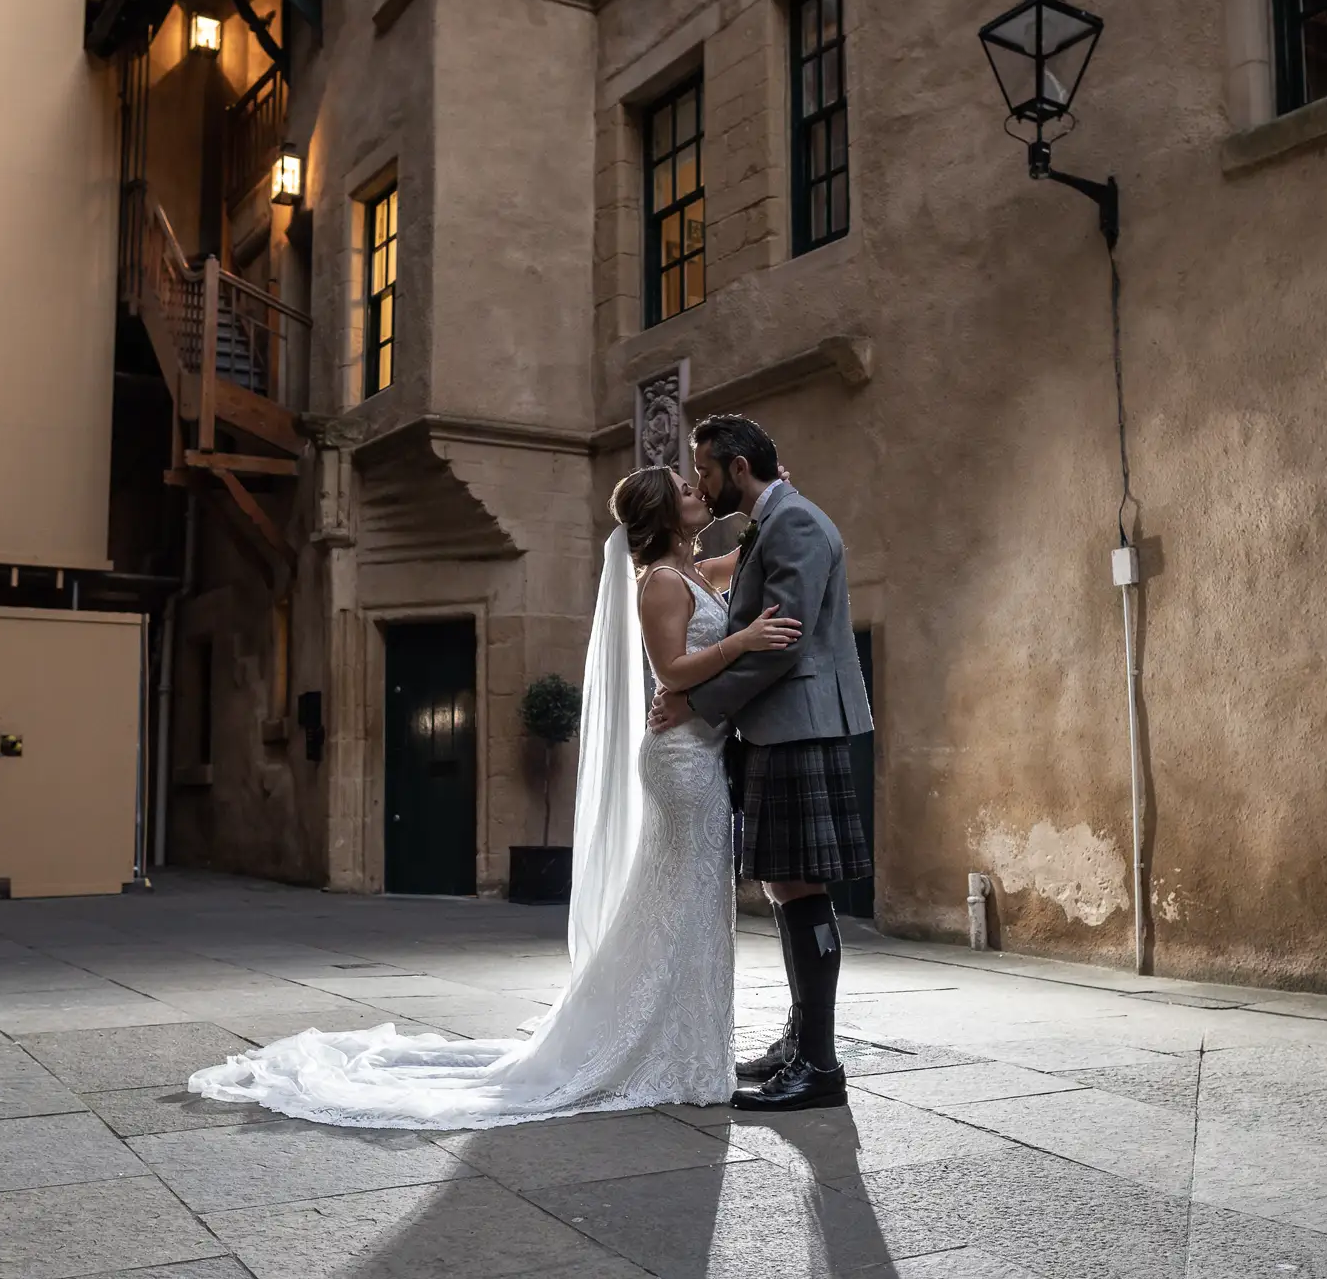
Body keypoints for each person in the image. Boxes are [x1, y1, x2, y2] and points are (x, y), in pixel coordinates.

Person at [185, 465, 799, 1128]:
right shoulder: (660, 584)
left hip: (699, 754)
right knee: (684, 896)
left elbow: (745, 556)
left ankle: (685, 1045)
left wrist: (773, 497)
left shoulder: (695, 571)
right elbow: (672, 670)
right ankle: (663, 1047)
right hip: (681, 764)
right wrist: (744, 639)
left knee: (688, 899)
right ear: (662, 513)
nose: (696, 493)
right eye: (684, 488)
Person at [650, 414, 873, 1113]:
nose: (703, 483)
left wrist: (699, 702)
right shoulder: (772, 521)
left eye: (706, 470)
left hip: (799, 725)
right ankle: (800, 1041)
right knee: (786, 886)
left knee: (800, 885)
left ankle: (819, 1063)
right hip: (781, 729)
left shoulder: (795, 523)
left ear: (738, 467)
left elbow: (783, 643)